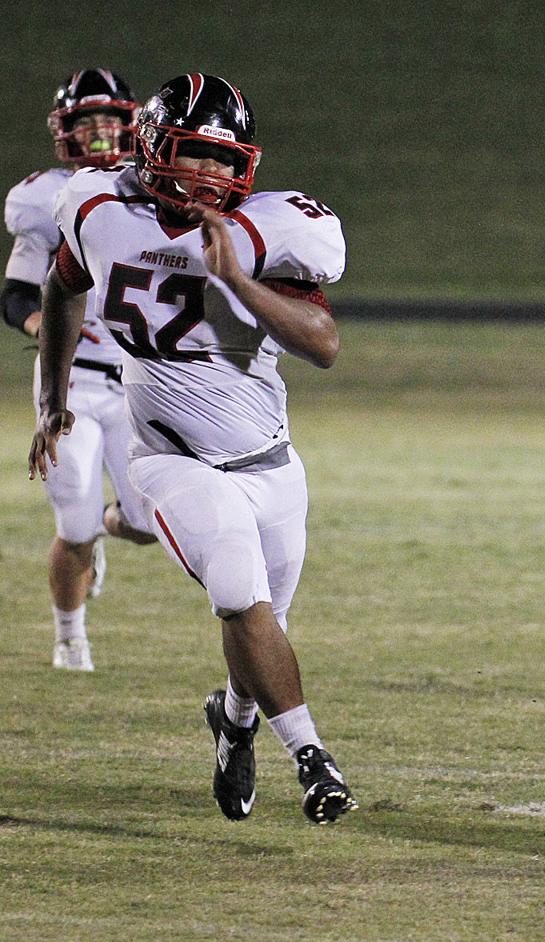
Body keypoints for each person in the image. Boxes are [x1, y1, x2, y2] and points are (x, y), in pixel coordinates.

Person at [29, 73, 357, 825]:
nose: (210, 172)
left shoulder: (266, 230)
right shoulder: (97, 207)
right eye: (194, 153)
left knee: (262, 624)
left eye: (223, 158)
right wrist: (52, 398)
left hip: (270, 460)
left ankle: (234, 723)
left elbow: (324, 345)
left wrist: (235, 276)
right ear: (153, 147)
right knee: (240, 595)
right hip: (169, 458)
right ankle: (313, 760)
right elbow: (61, 286)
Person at [4, 68, 157, 672]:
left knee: (149, 522)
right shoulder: (47, 199)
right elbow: (16, 295)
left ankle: (102, 530)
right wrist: (44, 329)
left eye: (109, 119)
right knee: (73, 523)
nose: (98, 132)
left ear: (132, 125)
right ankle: (70, 639)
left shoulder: (154, 191)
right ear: (65, 130)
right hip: (71, 378)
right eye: (86, 120)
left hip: (141, 380)